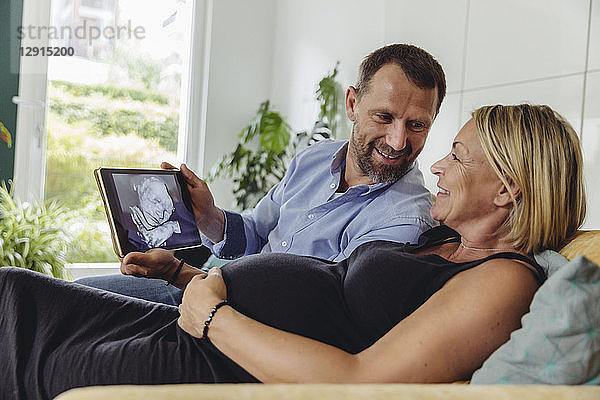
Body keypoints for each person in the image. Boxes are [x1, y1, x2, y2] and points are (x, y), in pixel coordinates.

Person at [0, 104, 586, 398]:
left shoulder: (505, 282)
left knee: (28, 356)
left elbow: (361, 381)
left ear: (507, 187)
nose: (433, 163)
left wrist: (214, 317)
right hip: (202, 322)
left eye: (455, 155)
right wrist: (186, 277)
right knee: (13, 290)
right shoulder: (444, 245)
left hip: (224, 360)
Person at [77, 43, 446, 305]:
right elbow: (257, 231)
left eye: (417, 125)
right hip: (206, 287)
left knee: (69, 319)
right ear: (352, 104)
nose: (399, 141)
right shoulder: (315, 158)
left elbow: (315, 306)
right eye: (385, 117)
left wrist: (180, 273)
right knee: (72, 292)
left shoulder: (406, 218)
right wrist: (209, 216)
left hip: (238, 315)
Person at [126, 176, 200, 251]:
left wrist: (171, 227)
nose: (161, 215)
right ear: (140, 194)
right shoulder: (130, 230)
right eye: (155, 201)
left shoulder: (185, 219)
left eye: (167, 210)